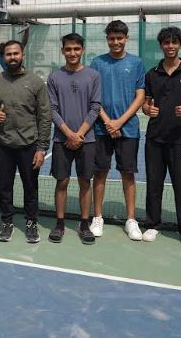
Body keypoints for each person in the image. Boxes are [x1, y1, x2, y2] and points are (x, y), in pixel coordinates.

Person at [141, 26, 181, 249]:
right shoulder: (152, 73)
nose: (170, 46)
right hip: (155, 138)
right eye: (166, 43)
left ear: (180, 45)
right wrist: (147, 110)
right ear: (161, 45)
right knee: (154, 185)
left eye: (174, 42)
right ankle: (152, 225)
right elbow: (146, 103)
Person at [88, 20, 146, 241]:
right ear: (107, 40)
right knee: (100, 172)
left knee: (127, 174)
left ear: (126, 38)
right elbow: (93, 97)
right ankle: (98, 217)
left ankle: (131, 220)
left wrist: (119, 122)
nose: (116, 42)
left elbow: (140, 96)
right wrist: (107, 122)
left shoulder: (137, 63)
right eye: (112, 38)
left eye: (119, 38)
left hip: (128, 129)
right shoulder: (97, 63)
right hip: (101, 130)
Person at [0, 40, 51, 243]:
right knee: (4, 187)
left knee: (31, 188)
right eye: (9, 54)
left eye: (16, 53)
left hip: (29, 146)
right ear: (4, 57)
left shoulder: (36, 82)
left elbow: (45, 116)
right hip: (3, 145)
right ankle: (6, 223)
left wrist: (41, 148)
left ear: (22, 55)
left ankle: (31, 223)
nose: (13, 57)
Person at [46, 33, 102, 245]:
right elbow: (51, 109)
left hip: (86, 140)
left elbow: (95, 107)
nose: (72, 53)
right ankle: (59, 223)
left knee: (85, 182)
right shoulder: (54, 77)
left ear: (83, 50)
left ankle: (84, 223)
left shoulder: (93, 76)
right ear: (62, 51)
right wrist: (68, 133)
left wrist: (79, 134)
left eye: (76, 49)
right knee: (62, 181)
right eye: (68, 49)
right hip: (62, 140)